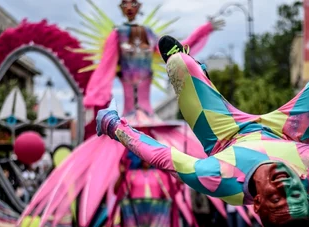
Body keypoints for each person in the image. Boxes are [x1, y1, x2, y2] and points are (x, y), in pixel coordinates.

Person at [96, 35, 309, 227]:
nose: (285, 185)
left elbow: (161, 155)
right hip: (289, 130)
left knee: (180, 64)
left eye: (276, 196)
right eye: (296, 192)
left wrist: (115, 127)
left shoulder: (217, 179)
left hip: (226, 133)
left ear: (257, 203)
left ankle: (200, 72)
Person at [83, 0, 224, 139]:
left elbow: (177, 48)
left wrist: (204, 29)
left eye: (133, 3)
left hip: (150, 119)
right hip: (128, 119)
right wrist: (93, 98)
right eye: (125, 3)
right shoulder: (117, 35)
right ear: (121, 7)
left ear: (139, 6)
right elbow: (104, 68)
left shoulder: (148, 33)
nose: (129, 7)